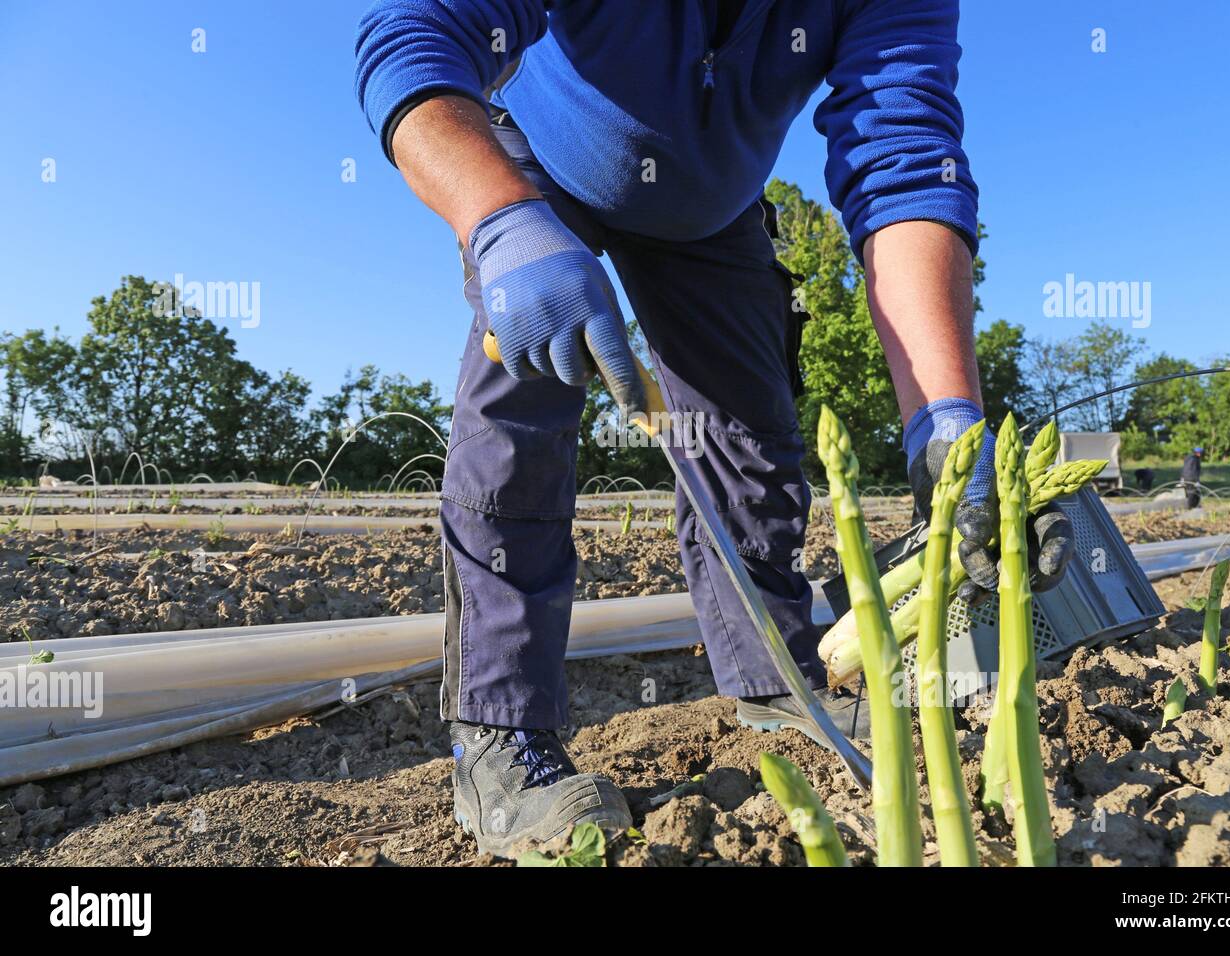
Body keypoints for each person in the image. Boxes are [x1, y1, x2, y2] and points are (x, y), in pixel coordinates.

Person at [354, 0, 1076, 857]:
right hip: (536, 172)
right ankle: (499, 733)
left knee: (751, 440)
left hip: (710, 209)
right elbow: (412, 33)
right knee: (519, 413)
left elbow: (903, 160)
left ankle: (773, 674)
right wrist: (500, 219)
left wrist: (945, 416)